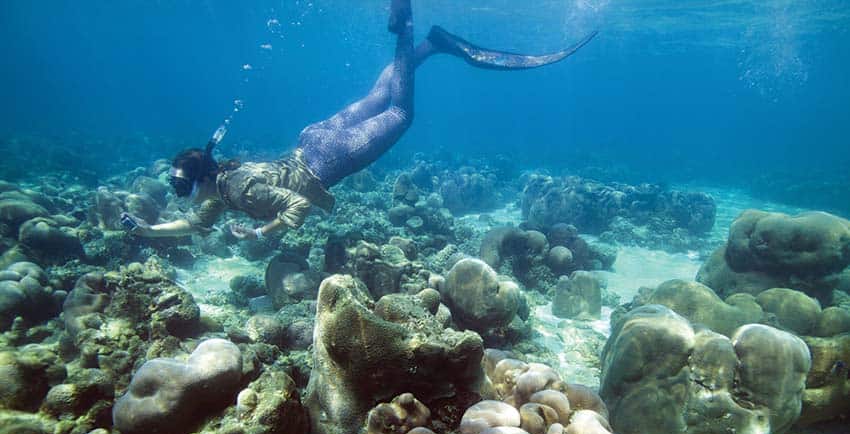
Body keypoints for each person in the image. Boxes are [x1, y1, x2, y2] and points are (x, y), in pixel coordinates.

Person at [121, 0, 596, 241]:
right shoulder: (223, 183)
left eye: (186, 190)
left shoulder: (238, 192)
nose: (190, 200)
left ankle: (407, 26)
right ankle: (431, 45)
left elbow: (296, 208)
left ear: (199, 182)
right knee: (379, 93)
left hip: (330, 159)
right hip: (313, 138)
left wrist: (260, 234)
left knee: (400, 112)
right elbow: (192, 225)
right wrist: (145, 230)